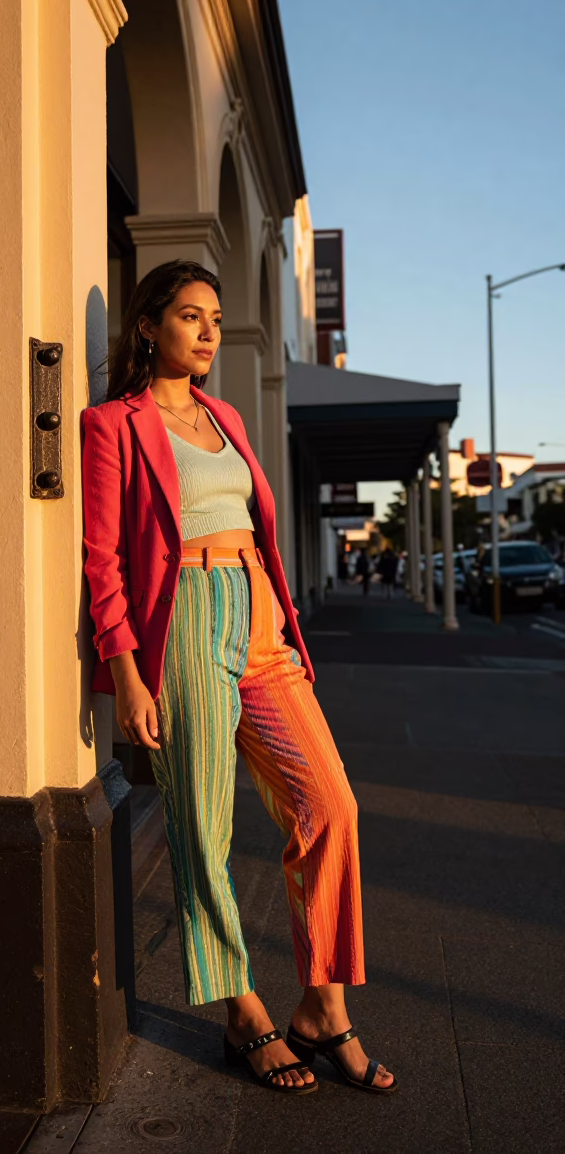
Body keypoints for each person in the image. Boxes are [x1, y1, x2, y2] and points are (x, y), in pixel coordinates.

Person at [81, 260, 396, 1096]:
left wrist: (278, 623)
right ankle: (241, 1008)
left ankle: (324, 1006)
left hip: (256, 613)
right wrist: (128, 670)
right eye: (191, 316)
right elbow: (102, 559)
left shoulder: (225, 417)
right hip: (181, 619)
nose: (210, 331)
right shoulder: (112, 425)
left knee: (329, 803)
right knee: (203, 826)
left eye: (216, 317)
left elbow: (254, 519)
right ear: (150, 328)